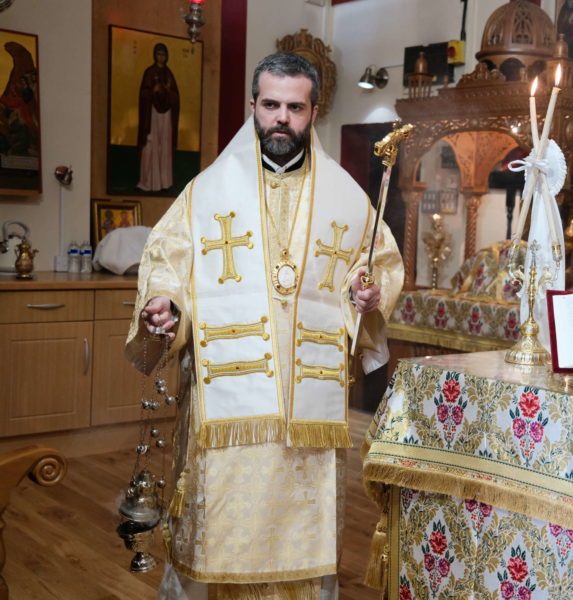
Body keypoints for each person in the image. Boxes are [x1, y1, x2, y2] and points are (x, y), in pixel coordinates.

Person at [126, 52, 403, 600]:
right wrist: (165, 304)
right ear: (253, 105)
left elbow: (378, 268)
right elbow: (169, 262)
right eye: (271, 104)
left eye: (294, 108)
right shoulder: (206, 191)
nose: (281, 118)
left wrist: (368, 295)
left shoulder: (347, 197)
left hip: (308, 412)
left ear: (313, 112)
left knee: (300, 545)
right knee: (218, 533)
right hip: (226, 405)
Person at [136, 42, 180, 192]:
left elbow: (175, 96)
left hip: (166, 115)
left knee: (164, 147)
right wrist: (153, 91)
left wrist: (167, 91)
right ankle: (148, 182)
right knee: (151, 145)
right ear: (155, 55)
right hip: (152, 114)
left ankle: (164, 183)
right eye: (159, 54)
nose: (161, 57)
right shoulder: (149, 72)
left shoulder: (169, 74)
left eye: (163, 54)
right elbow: (143, 94)